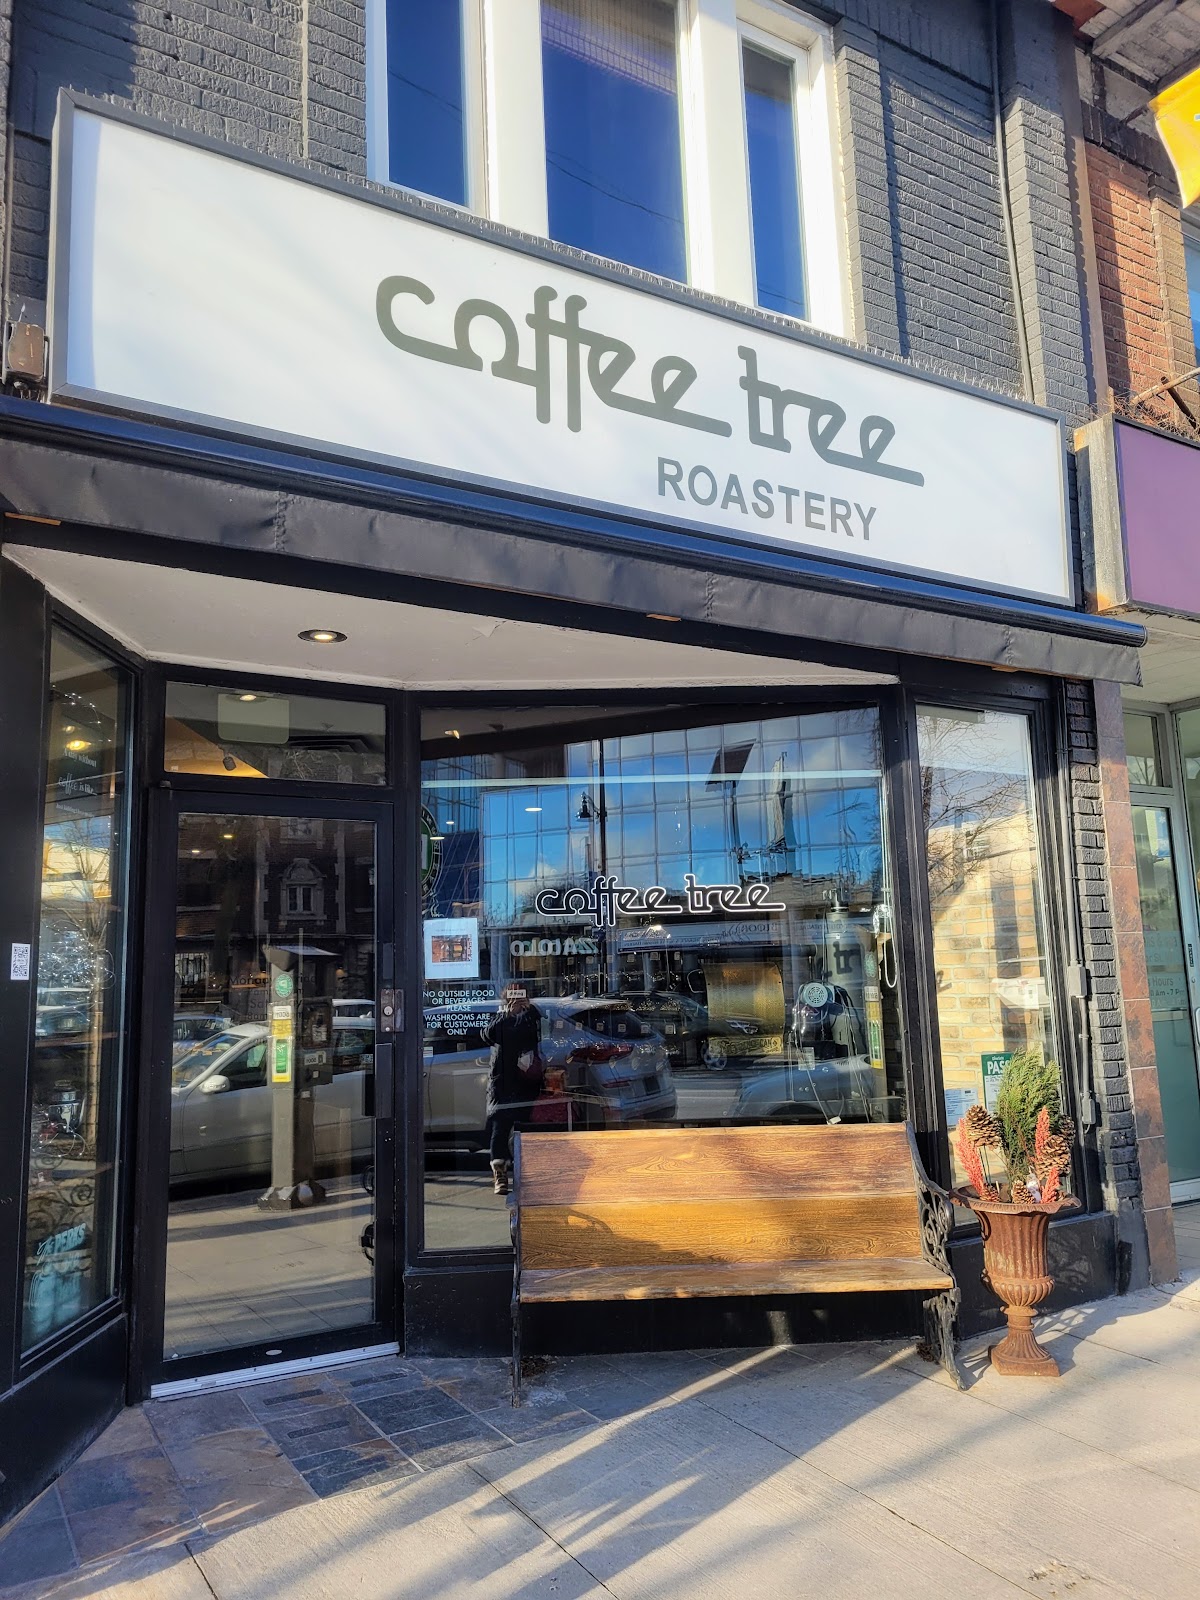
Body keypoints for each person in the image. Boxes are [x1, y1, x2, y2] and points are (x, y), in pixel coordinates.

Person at [483, 988, 542, 1195]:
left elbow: (538, 1035)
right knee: (500, 1128)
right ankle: (500, 1174)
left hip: (527, 1080)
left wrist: (528, 1011)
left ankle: (527, 1174)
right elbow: (488, 1035)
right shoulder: (500, 1017)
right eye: (513, 996)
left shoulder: (533, 1016)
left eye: (521, 995)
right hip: (503, 1081)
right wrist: (507, 1015)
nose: (517, 1000)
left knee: (526, 1127)